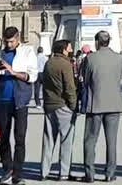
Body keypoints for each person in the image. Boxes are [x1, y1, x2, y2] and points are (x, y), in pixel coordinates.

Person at [0, 27, 38, 185]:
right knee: (4, 137)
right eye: (6, 41)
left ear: (18, 38)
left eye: (11, 41)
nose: (9, 44)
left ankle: (18, 173)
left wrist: (13, 71)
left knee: (20, 138)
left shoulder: (27, 52)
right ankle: (7, 170)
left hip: (20, 100)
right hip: (2, 99)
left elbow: (32, 76)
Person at [81, 30, 122, 183]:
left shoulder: (90, 58)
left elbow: (85, 80)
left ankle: (89, 173)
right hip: (114, 104)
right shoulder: (119, 58)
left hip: (96, 104)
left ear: (97, 42)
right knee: (111, 141)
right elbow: (120, 77)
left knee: (90, 140)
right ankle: (110, 173)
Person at [41, 40, 79, 181]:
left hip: (49, 104)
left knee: (48, 139)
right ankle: (63, 172)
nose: (71, 50)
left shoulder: (48, 63)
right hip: (63, 105)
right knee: (66, 140)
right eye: (69, 47)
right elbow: (69, 87)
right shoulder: (65, 64)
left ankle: (44, 171)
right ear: (64, 49)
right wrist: (73, 105)